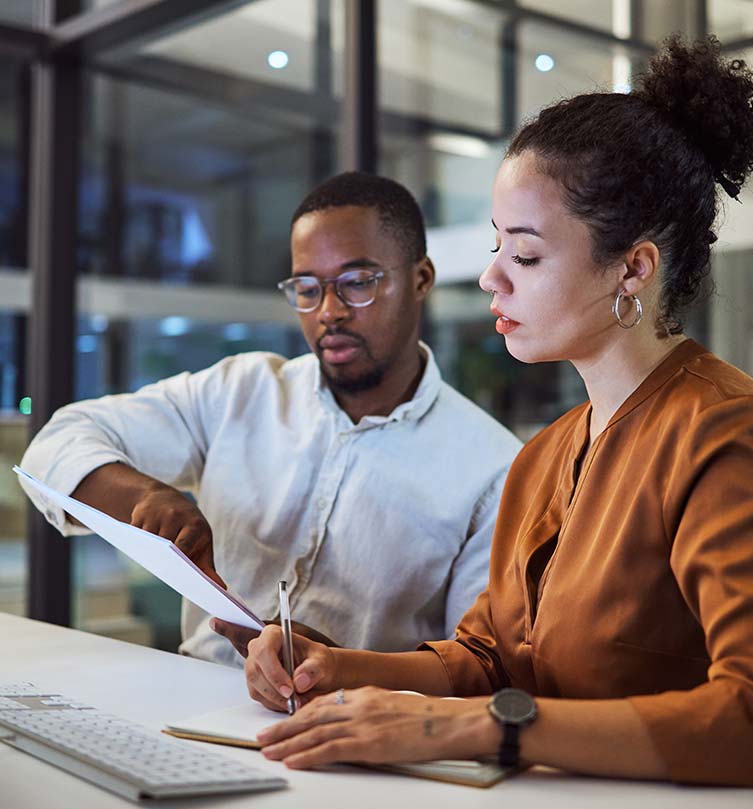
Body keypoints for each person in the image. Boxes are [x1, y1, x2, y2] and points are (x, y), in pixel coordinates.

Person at [242, 37, 753, 786]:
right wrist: (331, 663)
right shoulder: (546, 453)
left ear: (632, 268)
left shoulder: (722, 435)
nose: (489, 278)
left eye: (525, 254)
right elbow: (487, 656)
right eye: (495, 248)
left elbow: (742, 718)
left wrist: (474, 726)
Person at [20, 172, 522, 666]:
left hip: (358, 725)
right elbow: (56, 444)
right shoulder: (239, 391)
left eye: (357, 283)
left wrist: (342, 665)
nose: (329, 311)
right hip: (191, 695)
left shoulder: (494, 469)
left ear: (420, 280)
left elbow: (476, 666)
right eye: (307, 288)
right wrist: (144, 497)